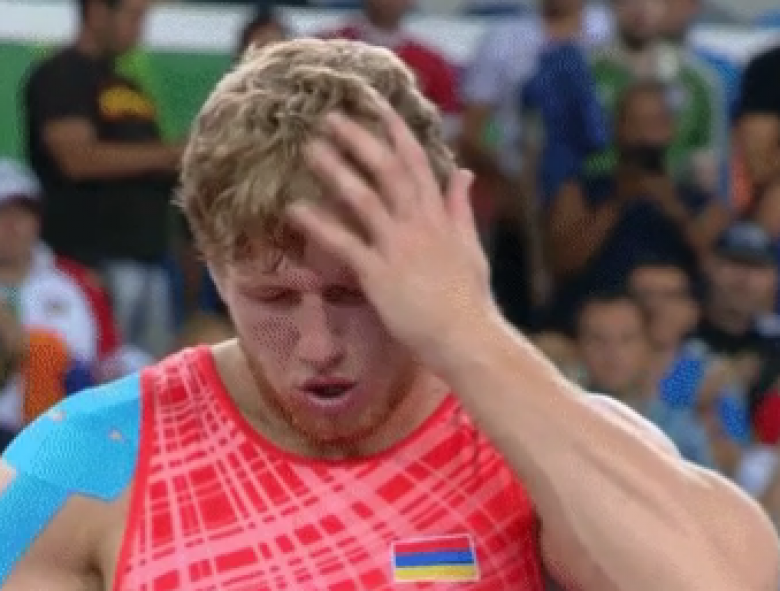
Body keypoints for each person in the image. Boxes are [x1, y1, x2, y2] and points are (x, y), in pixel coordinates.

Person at [1, 39, 777, 590]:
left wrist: (470, 331)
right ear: (210, 262)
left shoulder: (528, 441)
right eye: (273, 298)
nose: (318, 345)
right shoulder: (91, 457)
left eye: (356, 293)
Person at [22, 0, 183, 358]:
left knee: (151, 375)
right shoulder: (61, 74)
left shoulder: (128, 85)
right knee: (102, 371)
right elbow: (76, 158)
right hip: (94, 262)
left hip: (151, 261)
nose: (141, 26)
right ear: (96, 11)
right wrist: (171, 153)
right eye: (133, 15)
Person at [544, 80, 728, 333]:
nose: (645, 135)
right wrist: (615, 204)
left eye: (655, 123)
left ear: (671, 129)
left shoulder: (703, 202)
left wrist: (673, 208)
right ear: (617, 128)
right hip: (592, 318)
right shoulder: (580, 192)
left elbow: (719, 272)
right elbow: (563, 263)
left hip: (676, 323)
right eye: (636, 123)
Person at [587, 0, 727, 194]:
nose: (640, 8)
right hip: (602, 199)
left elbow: (707, 165)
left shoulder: (697, 81)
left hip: (674, 202)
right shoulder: (587, 75)